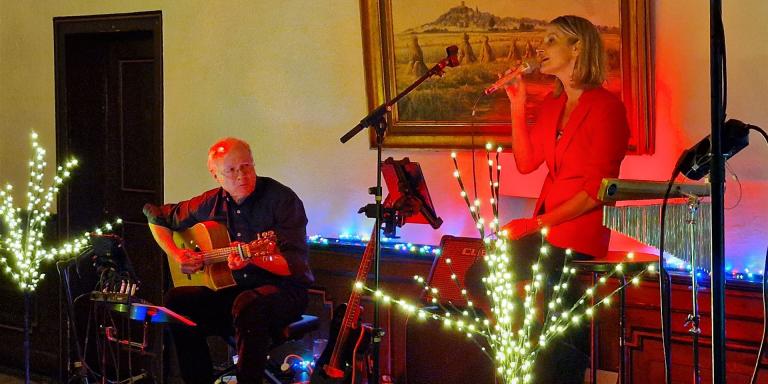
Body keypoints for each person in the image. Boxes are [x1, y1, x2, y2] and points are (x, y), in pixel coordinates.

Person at [469, 15, 630, 384]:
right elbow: (526, 164)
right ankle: (527, 338)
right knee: (481, 275)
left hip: (578, 230)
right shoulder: (552, 105)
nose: (542, 47)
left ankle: (553, 357)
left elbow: (595, 191)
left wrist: (535, 223)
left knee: (560, 326)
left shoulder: (606, 108)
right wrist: (517, 104)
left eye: (552, 39)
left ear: (578, 48)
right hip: (546, 227)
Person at [143, 137, 314, 384]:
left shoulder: (282, 200)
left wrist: (253, 258)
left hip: (285, 293)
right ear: (216, 176)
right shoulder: (210, 203)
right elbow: (155, 216)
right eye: (231, 170)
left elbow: (294, 265)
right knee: (177, 301)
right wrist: (178, 254)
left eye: (246, 166)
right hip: (234, 291)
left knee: (247, 305)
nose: (241, 175)